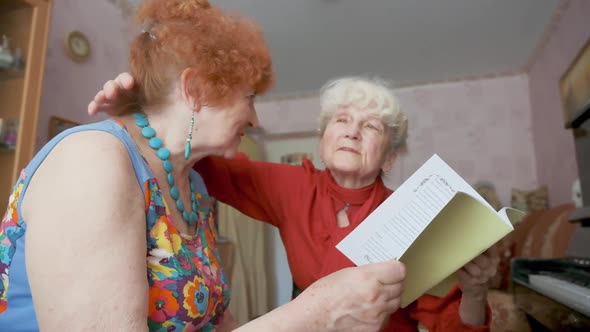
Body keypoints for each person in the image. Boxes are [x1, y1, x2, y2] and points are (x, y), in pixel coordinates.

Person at [0, 1, 407, 331]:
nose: (255, 120)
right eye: (249, 98)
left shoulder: (192, 185)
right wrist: (313, 314)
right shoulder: (92, 160)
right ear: (194, 90)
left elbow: (215, 322)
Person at [91, 73, 500, 332]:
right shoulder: (294, 187)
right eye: (342, 120)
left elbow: (451, 326)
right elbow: (208, 163)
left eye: (370, 126)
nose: (352, 132)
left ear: (390, 156)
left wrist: (476, 291)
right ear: (323, 141)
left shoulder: (414, 215)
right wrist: (145, 118)